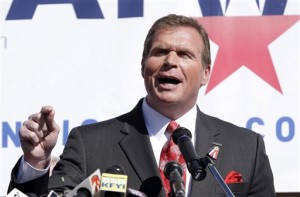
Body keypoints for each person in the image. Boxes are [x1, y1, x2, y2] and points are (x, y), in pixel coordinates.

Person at [8, 14, 275, 197]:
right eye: (160, 52)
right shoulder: (89, 143)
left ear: (206, 73)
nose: (170, 61)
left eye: (184, 54)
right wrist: (36, 162)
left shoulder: (246, 148)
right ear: (143, 65)